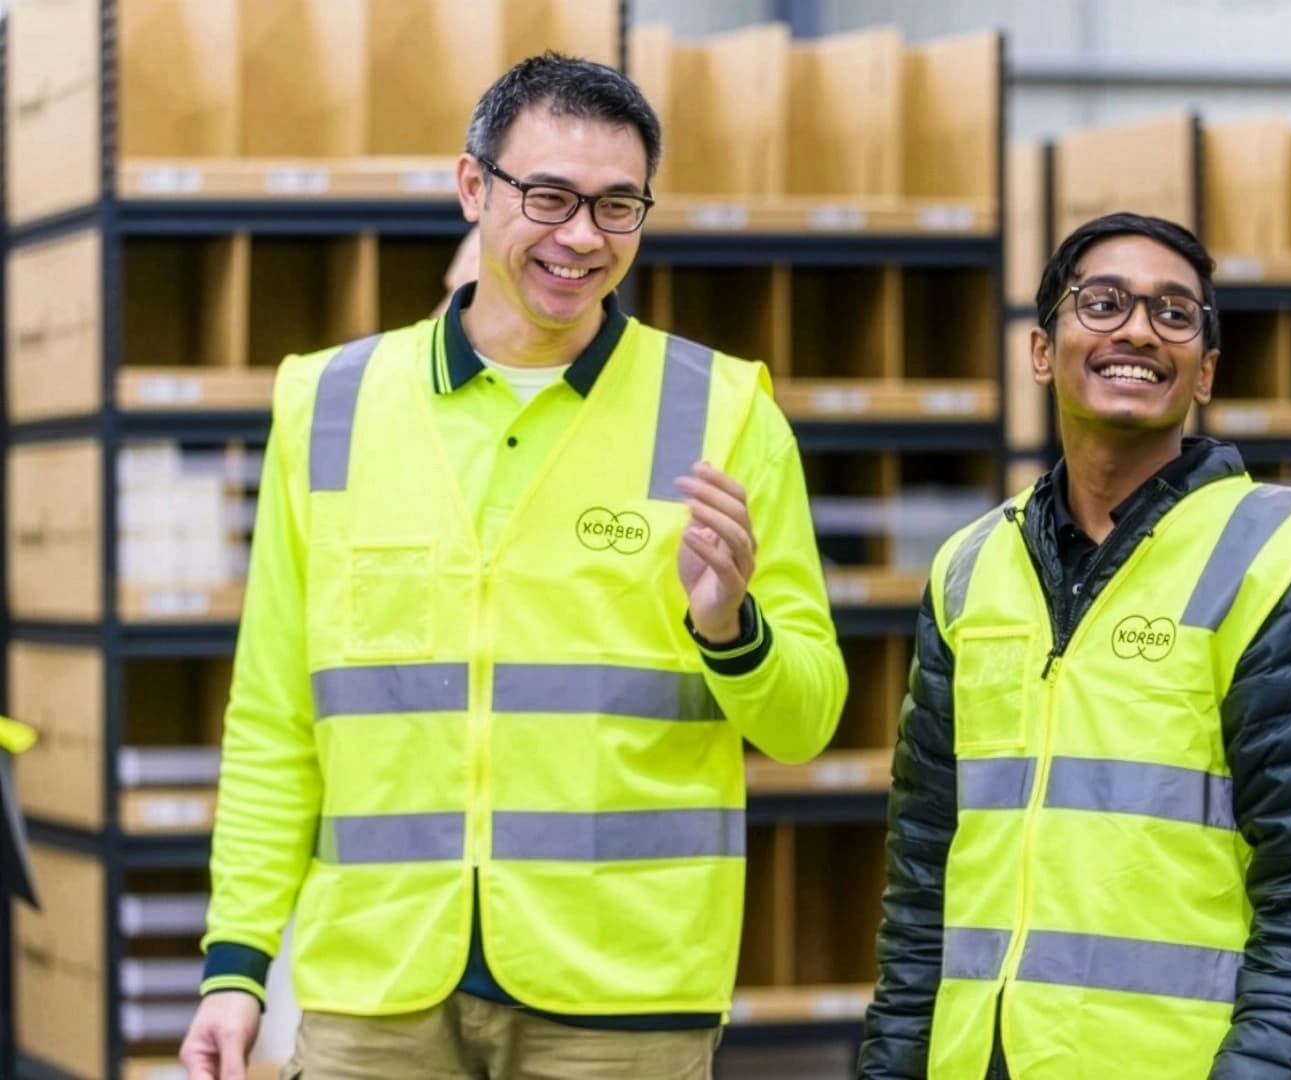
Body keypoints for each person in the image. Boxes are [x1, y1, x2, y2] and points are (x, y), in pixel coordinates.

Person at [178, 52, 848, 1079]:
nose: (582, 236)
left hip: (622, 991)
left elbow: (805, 724)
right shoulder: (329, 405)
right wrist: (236, 962)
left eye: (618, 206)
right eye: (549, 197)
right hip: (379, 990)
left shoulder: (724, 413)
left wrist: (733, 631)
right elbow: (276, 715)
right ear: (471, 188)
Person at [858, 211, 1291, 1079]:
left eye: (1175, 313)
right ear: (1042, 350)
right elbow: (923, 891)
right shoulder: (969, 570)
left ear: (1206, 372)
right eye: (1102, 303)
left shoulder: (1277, 568)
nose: (1139, 329)